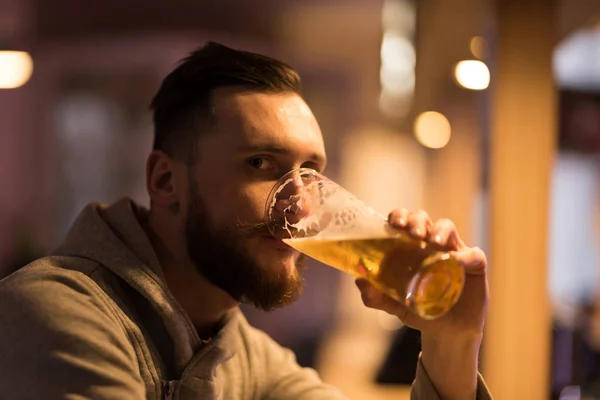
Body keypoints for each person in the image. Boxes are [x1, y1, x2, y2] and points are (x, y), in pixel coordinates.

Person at [0, 42, 491, 399]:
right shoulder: (56, 314)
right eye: (259, 163)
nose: (300, 206)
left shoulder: (242, 353)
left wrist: (452, 341)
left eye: (311, 172)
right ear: (166, 181)